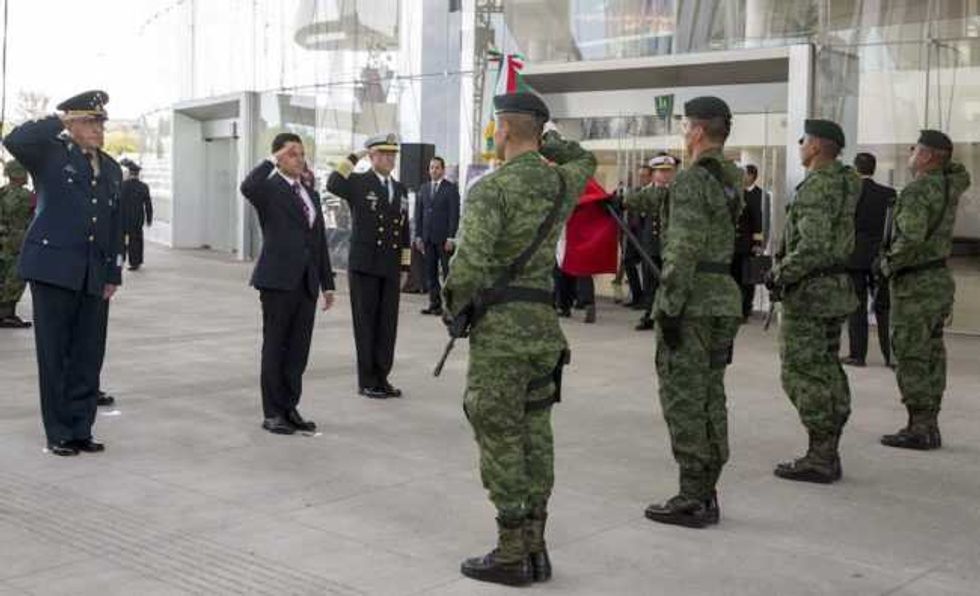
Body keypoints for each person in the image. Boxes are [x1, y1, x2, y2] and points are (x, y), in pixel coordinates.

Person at [445, 92, 595, 586]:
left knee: (500, 435)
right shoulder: (561, 182)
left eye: (497, 128)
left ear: (503, 130)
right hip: (544, 331)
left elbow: (466, 269)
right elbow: (585, 158)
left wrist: (454, 310)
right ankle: (537, 545)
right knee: (536, 434)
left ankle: (512, 553)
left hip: (503, 335)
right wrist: (549, 138)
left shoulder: (492, 190)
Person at [2, 90, 123, 456]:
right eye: (89, 121)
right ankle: (58, 431)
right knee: (55, 354)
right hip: (53, 269)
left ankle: (81, 428)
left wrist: (112, 274)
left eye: (100, 122)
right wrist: (60, 119)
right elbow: (14, 139)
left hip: (92, 273)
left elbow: (113, 224)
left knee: (88, 353)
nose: (98, 129)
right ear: (72, 125)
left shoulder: (111, 167)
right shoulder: (50, 155)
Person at [643, 97, 742, 529]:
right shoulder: (730, 177)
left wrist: (667, 306)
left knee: (684, 396)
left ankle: (693, 495)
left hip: (694, 301)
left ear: (698, 131)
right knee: (710, 394)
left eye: (686, 126)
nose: (684, 133)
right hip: (723, 297)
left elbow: (681, 249)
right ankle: (708, 488)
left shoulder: (690, 181)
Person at [765, 119, 859, 484]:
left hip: (811, 292)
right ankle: (827, 448)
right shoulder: (845, 182)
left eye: (803, 140)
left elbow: (813, 246)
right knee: (826, 367)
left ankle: (820, 456)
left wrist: (779, 274)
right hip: (833, 289)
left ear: (817, 146)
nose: (800, 145)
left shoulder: (819, 186)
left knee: (801, 371)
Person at [878, 130, 971, 450]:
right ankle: (930, 423)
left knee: (911, 354)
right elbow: (961, 172)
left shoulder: (917, 191)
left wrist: (887, 265)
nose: (910, 151)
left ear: (929, 156)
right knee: (932, 353)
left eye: (916, 148)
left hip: (915, 285)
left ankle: (919, 427)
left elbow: (910, 239)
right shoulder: (950, 185)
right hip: (939, 281)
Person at [240, 133, 336, 434]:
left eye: (302, 153)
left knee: (298, 350)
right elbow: (247, 186)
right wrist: (271, 158)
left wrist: (327, 282)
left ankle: (290, 406)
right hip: (278, 280)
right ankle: (272, 412)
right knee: (275, 347)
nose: (299, 158)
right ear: (279, 157)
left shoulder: (310, 193)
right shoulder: (268, 188)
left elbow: (318, 240)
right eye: (292, 153)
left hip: (306, 281)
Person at [327, 133, 410, 399]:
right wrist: (356, 156)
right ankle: (367, 381)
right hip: (365, 265)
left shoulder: (399, 189)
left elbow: (404, 229)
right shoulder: (360, 183)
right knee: (366, 324)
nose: (389, 158)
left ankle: (382, 377)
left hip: (389, 265)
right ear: (372, 156)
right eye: (383, 154)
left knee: (387, 324)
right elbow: (333, 182)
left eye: (392, 154)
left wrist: (405, 267)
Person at [841, 152, 895, 367]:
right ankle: (890, 356)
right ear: (873, 168)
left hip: (854, 257)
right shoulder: (888, 194)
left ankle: (857, 354)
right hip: (880, 257)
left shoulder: (849, 194)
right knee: (884, 308)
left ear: (855, 169)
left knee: (857, 307)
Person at [624, 153, 675, 330]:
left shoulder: (676, 193)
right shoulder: (644, 193)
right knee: (650, 282)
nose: (665, 174)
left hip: (671, 247)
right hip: (650, 244)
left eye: (669, 171)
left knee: (669, 283)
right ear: (653, 174)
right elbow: (631, 211)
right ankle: (649, 314)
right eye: (661, 171)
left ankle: (666, 315)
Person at [414, 156, 460, 316]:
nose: (434, 170)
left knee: (448, 274)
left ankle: (450, 307)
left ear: (443, 170)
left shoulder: (451, 189)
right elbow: (418, 213)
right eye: (431, 167)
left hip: (444, 240)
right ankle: (434, 305)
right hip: (427, 239)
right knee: (430, 274)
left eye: (437, 167)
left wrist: (451, 238)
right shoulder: (424, 188)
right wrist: (418, 236)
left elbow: (454, 215)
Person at [0, 160, 35, 328]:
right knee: (16, 277)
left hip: (4, 240)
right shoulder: (25, 195)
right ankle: (7, 314)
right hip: (18, 241)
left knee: (4, 276)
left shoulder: (3, 192)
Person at [733, 164, 765, 320]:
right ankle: (737, 309)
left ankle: (745, 309)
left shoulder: (759, 195)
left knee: (747, 279)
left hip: (747, 244)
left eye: (744, 174)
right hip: (734, 245)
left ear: (752, 176)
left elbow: (758, 222)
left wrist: (758, 244)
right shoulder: (736, 193)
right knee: (735, 278)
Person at [622, 165, 652, 308]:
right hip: (633, 233)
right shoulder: (636, 192)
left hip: (647, 235)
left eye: (644, 176)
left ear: (651, 176)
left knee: (647, 268)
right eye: (639, 176)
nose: (641, 179)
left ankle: (647, 300)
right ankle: (637, 295)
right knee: (628, 262)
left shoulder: (653, 193)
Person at [120, 159, 153, 271]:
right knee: (137, 240)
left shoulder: (122, 185)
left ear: (129, 173)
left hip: (123, 217)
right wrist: (149, 219)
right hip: (137, 218)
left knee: (120, 240)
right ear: (138, 174)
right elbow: (148, 204)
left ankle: (120, 260)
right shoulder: (143, 186)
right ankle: (135, 262)